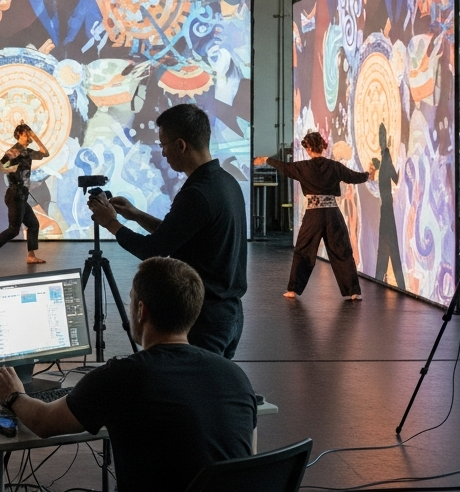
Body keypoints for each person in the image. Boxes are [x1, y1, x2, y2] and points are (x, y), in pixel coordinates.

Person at [0, 257, 257, 492]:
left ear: (141, 310)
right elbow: (245, 461)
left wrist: (13, 395)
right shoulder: (235, 376)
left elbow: (44, 422)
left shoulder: (124, 376)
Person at [86, 103, 247, 357]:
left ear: (181, 145)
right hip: (229, 314)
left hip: (205, 320)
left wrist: (111, 223)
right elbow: (178, 234)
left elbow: (152, 250)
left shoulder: (197, 193)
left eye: (164, 145)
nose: (162, 152)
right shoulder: (224, 182)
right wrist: (136, 214)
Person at [258, 130, 373, 300]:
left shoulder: (303, 167)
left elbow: (285, 167)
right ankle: (353, 292)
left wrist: (266, 159)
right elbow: (353, 177)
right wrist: (368, 175)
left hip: (314, 215)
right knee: (341, 250)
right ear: (322, 147)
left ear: (310, 148)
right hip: (333, 214)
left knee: (304, 250)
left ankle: (293, 290)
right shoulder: (334, 166)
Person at [0, 123, 51, 267]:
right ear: (19, 135)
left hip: (22, 196)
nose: (29, 135)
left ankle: (31, 256)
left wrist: (35, 136)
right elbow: (1, 164)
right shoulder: (14, 151)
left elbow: (45, 153)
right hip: (14, 194)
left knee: (33, 224)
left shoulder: (28, 152)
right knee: (13, 229)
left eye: (29, 133)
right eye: (26, 133)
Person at [372, 124, 407, 290]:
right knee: (390, 247)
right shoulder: (385, 156)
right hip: (387, 209)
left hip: (386, 208)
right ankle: (396, 283)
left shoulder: (384, 157)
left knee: (386, 248)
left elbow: (393, 177)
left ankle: (382, 279)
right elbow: (395, 177)